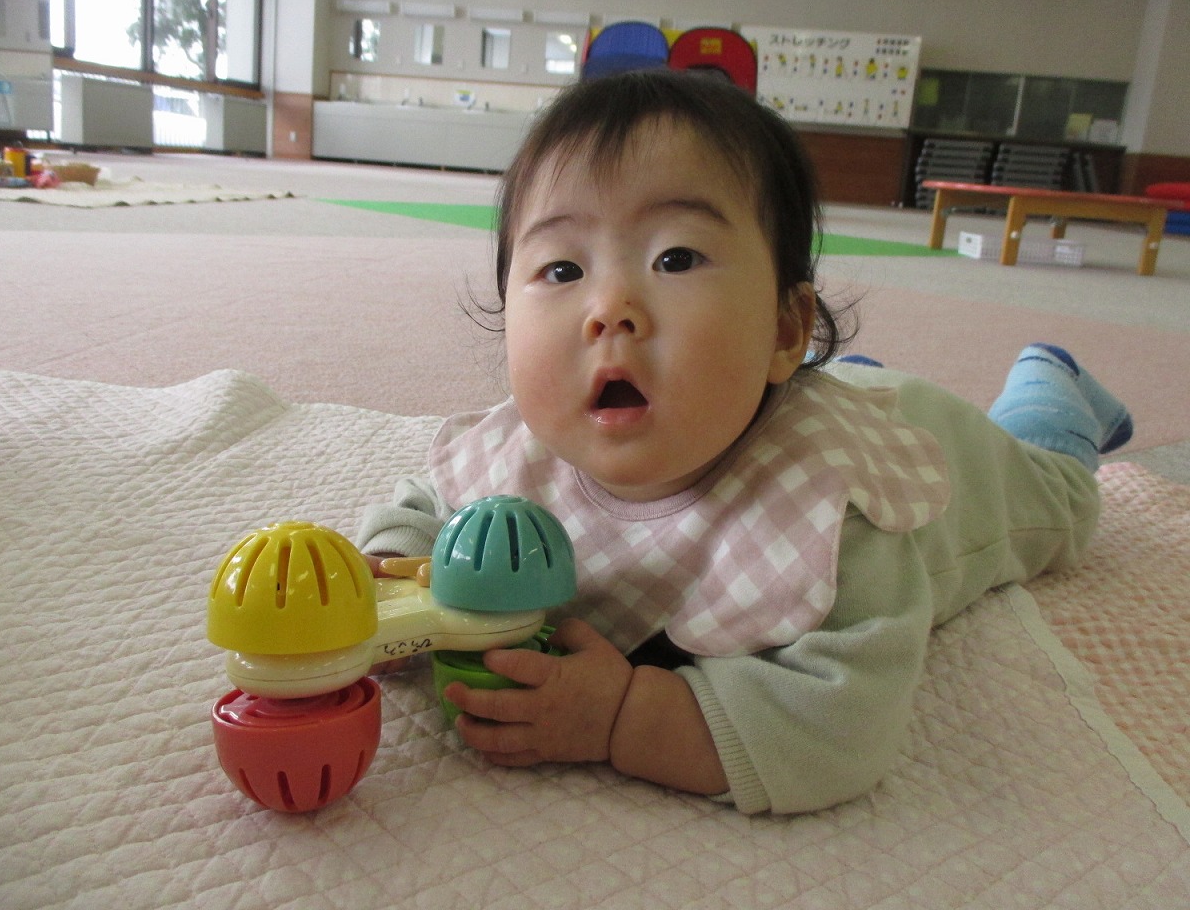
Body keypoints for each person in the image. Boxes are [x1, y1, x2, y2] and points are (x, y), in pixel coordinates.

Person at [356, 69, 1132, 814]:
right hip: (784, 390)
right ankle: (846, 377)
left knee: (1064, 496)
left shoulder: (832, 508)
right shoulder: (527, 446)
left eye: (675, 258)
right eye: (562, 268)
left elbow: (841, 727)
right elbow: (436, 505)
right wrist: (396, 569)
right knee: (836, 387)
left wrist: (625, 716)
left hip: (958, 457)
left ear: (786, 329)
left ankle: (1051, 383)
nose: (609, 307)